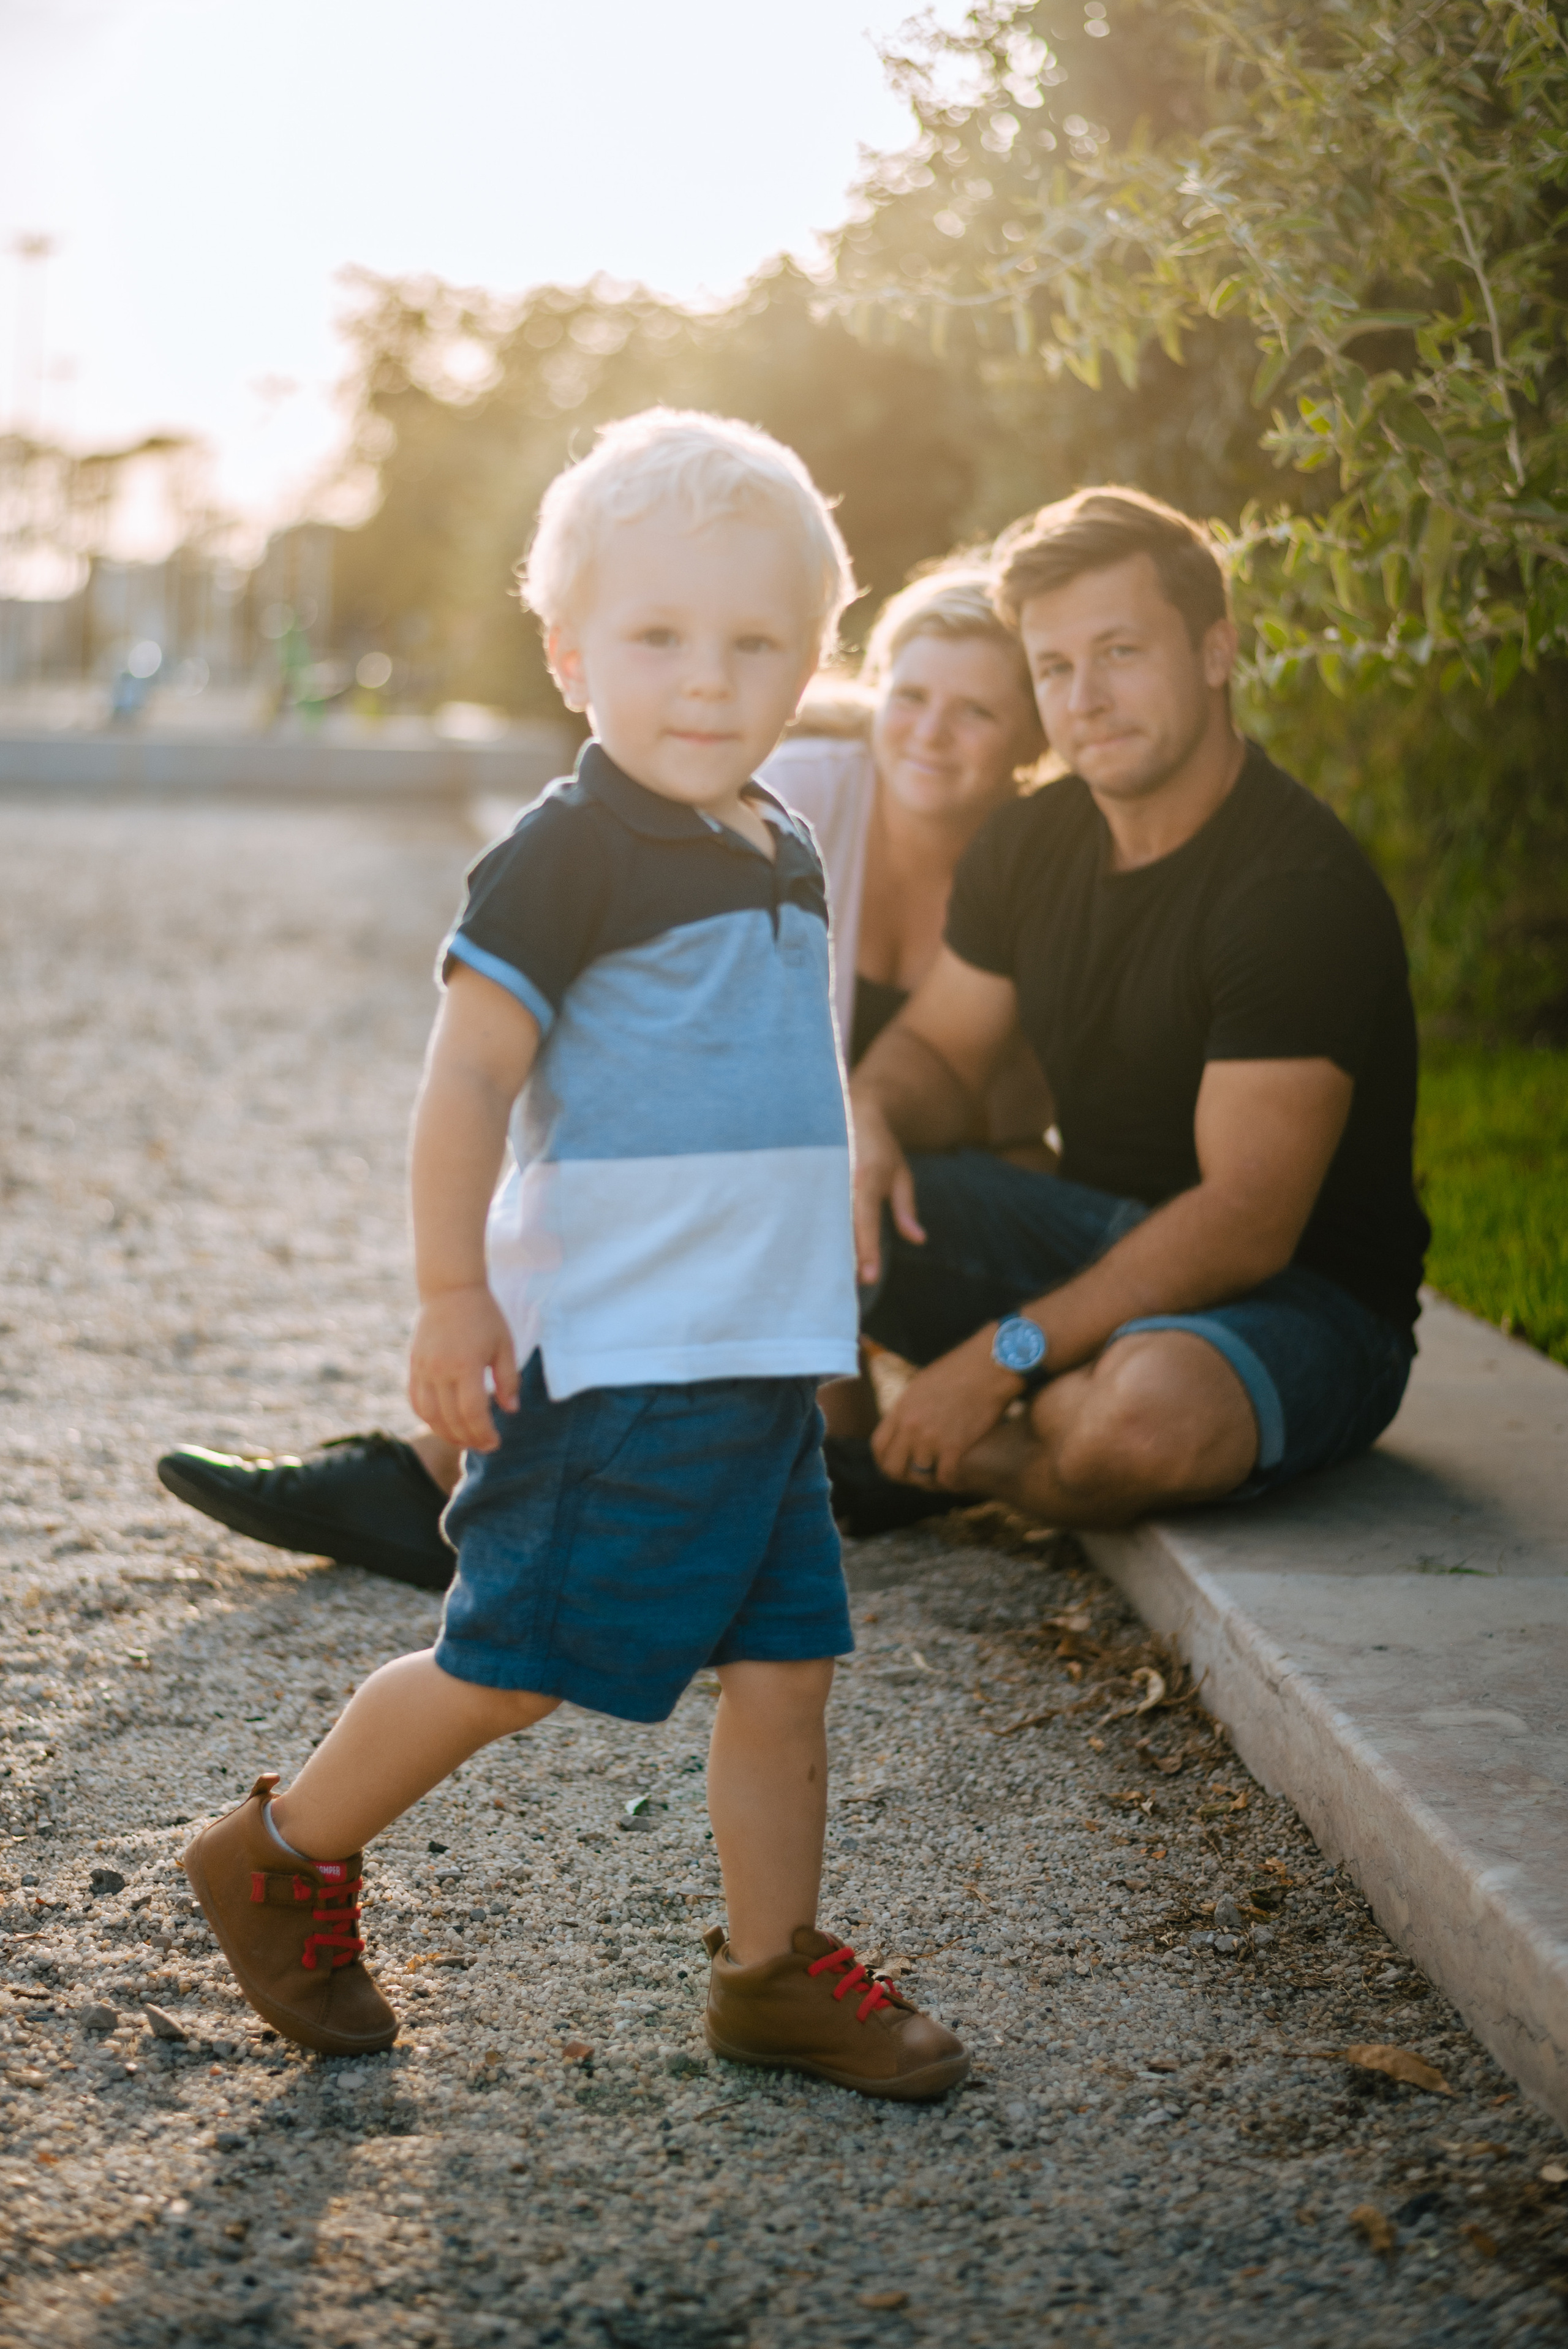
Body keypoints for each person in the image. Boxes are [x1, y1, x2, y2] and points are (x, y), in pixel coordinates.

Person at [179, 409, 970, 2097]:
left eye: (756, 642)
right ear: (570, 651)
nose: (709, 679)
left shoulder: (787, 839)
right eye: (660, 637)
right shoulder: (568, 850)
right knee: (509, 1662)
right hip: (622, 1361)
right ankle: (281, 1847)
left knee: (785, 1672)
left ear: (811, 657)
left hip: (753, 1366)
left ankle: (771, 1975)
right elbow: (467, 1073)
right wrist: (453, 1291)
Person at [156, 562, 1050, 1582]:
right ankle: (443, 1466)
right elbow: (646, 1043)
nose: (931, 732)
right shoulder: (791, 795)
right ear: (877, 693)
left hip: (870, 1224)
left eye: (976, 710)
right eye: (914, 697)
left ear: (1029, 737)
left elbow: (1016, 1129)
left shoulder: (1029, 871)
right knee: (658, 1160)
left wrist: (978, 1356)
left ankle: (494, 1480)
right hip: (724, 1158)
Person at [843, 485, 1430, 1528]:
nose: (1086, 699)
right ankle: (859, 1433)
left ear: (1214, 652)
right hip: (1099, 1241)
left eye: (1120, 653)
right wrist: (869, 1120)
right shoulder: (1029, 845)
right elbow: (936, 1050)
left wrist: (999, 1355)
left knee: (1140, 1422)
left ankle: (970, 1457)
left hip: (1302, 1296)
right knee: (805, 1191)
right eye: (1056, 668)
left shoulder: (1293, 892)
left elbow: (1246, 1222)